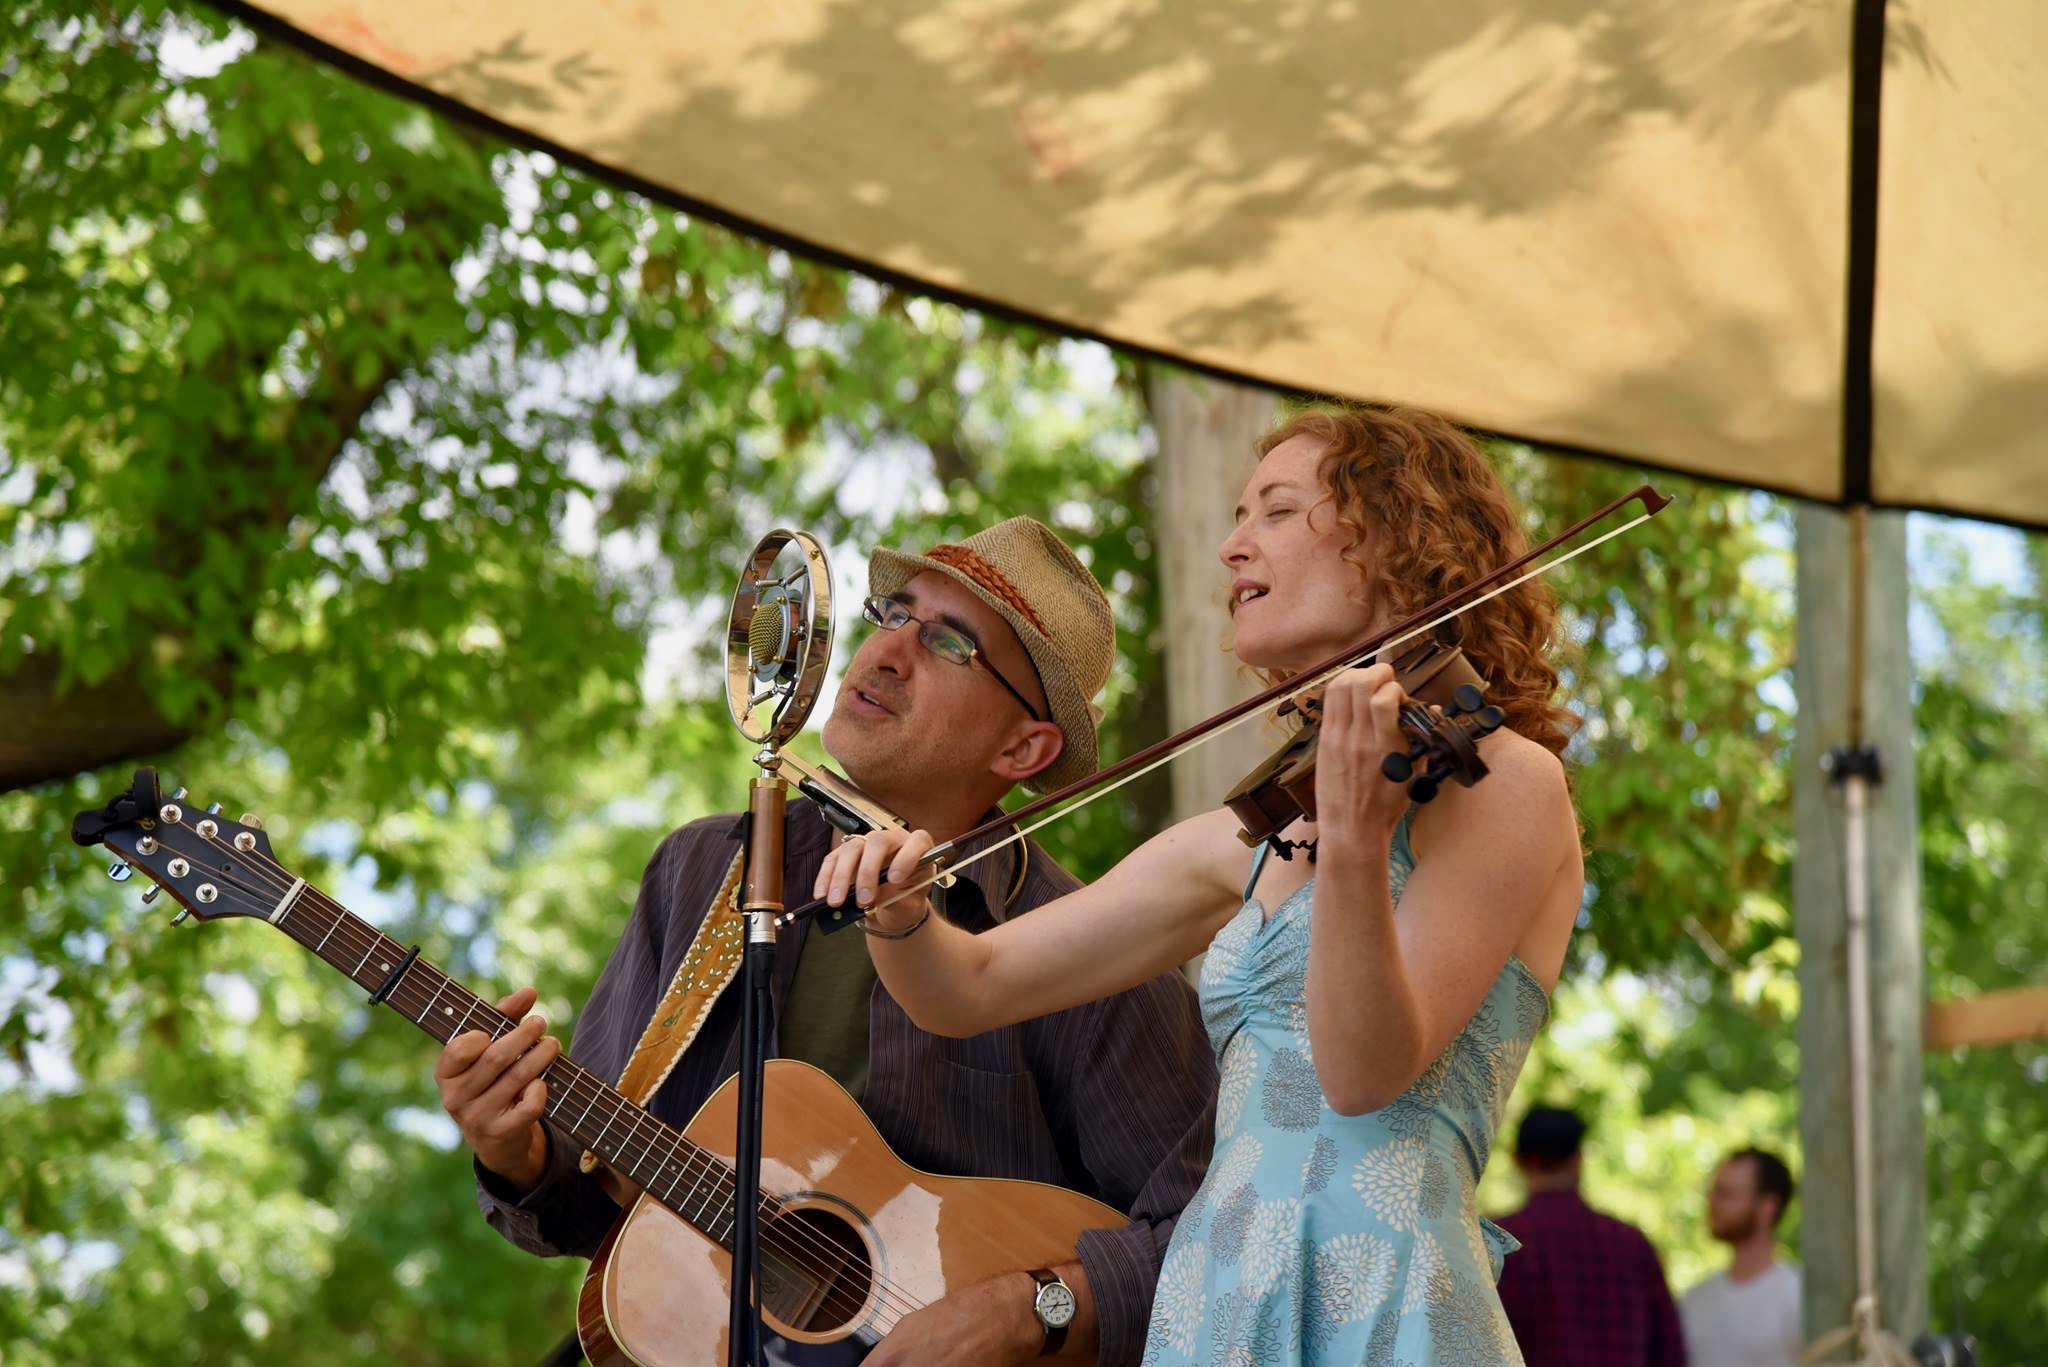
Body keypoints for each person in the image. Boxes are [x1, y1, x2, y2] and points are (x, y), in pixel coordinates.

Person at [821, 406, 1586, 1364]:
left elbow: (1362, 1072)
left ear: (1396, 540)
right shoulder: (1255, 833)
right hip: (1217, 1300)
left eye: (1276, 510)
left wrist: (1353, 839)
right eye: (1235, 515)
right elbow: (968, 986)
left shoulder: (1507, 785)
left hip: (1385, 1301)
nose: (1232, 546)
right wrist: (900, 919)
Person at [433, 516, 1218, 1367]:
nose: (885, 653)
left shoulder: (1092, 950)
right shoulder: (703, 871)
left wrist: (1030, 1307)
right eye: (893, 613)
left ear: (1024, 746)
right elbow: (599, 1214)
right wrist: (516, 1153)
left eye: (952, 644)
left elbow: (1215, 1234)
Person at [1493, 1106, 1686, 1365]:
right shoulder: (1631, 1244)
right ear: (1578, 1160)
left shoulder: (1498, 1244)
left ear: (1517, 1159)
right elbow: (1670, 1351)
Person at [1680, 1149, 1803, 1367]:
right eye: (1713, 1192)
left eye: (1727, 1194)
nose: (1713, 1203)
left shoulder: (1800, 1296)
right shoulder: (1693, 1300)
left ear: (1768, 1206)